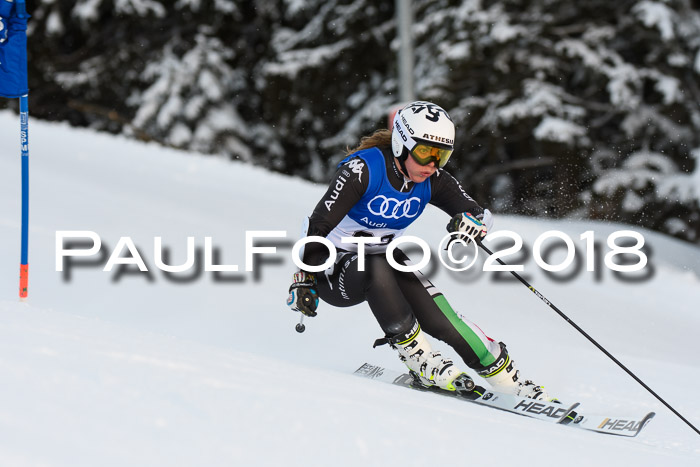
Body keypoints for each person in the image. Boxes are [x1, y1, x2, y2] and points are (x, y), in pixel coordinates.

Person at [286, 101, 552, 401]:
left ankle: (507, 381)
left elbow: (480, 214)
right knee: (376, 261)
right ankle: (419, 357)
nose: (432, 164)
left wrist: (471, 223)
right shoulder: (363, 170)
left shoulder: (433, 180)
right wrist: (303, 279)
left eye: (442, 155)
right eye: (425, 152)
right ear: (401, 143)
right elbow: (317, 226)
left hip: (384, 263)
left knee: (440, 316)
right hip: (333, 273)